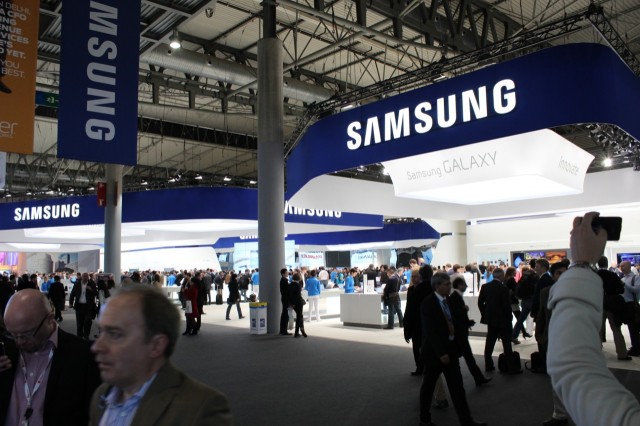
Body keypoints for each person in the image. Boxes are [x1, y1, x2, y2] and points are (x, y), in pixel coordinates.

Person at [89, 285, 233, 425]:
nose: (97, 346)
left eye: (115, 334)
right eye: (101, 331)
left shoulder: (199, 408)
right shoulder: (103, 395)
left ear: (156, 345)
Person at [547, 211, 640, 426]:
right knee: (605, 333)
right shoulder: (610, 276)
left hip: (601, 306)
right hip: (605, 307)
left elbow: (573, 368)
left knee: (605, 333)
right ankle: (615, 350)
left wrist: (582, 264)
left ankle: (614, 350)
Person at [0, 289, 101, 425]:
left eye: (26, 334)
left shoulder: (84, 355)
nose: (19, 342)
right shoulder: (4, 349)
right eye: (12, 334)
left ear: (50, 319)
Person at [419, 273, 486, 426]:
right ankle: (424, 419)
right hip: (435, 354)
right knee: (428, 388)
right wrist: (441, 353)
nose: (450, 286)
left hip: (451, 351)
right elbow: (430, 331)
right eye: (446, 284)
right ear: (437, 286)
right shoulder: (428, 303)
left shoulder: (448, 300)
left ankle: (467, 420)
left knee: (457, 388)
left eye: (449, 283)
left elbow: (453, 321)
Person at [449, 276, 491, 387]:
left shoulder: (455, 296)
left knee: (466, 357)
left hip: (460, 332)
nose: (466, 286)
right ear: (459, 285)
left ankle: (478, 378)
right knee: (467, 356)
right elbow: (456, 315)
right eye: (464, 284)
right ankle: (478, 378)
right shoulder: (455, 297)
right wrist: (465, 311)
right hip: (460, 333)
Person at [477, 267, 513, 372]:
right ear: (501, 276)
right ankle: (510, 367)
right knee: (506, 344)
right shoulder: (504, 289)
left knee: (489, 343)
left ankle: (488, 365)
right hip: (503, 320)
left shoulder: (485, 287)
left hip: (491, 320)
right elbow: (506, 306)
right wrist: (509, 317)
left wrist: (485, 314)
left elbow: (480, 303)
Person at [404, 265, 433, 376]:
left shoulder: (423, 289)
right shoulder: (411, 290)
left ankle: (425, 367)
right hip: (416, 323)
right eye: (412, 277)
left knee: (425, 346)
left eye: (416, 276)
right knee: (416, 347)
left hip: (424, 323)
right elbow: (409, 309)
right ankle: (419, 367)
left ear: (421, 277)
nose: (414, 279)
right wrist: (407, 328)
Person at [69, 272, 99, 339]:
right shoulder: (77, 284)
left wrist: (91, 289)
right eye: (84, 276)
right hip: (79, 306)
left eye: (86, 276)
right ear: (81, 277)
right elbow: (72, 293)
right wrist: (71, 303)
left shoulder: (92, 283)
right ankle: (79, 337)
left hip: (88, 306)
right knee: (79, 323)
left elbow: (96, 293)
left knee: (88, 322)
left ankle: (86, 336)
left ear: (88, 277)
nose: (85, 278)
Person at [288, 273, 307, 338]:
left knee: (300, 316)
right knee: (299, 317)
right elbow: (298, 296)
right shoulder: (298, 286)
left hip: (293, 303)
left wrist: (292, 303)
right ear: (299, 278)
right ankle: (300, 330)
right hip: (298, 303)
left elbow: (290, 295)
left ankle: (299, 331)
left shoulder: (290, 285)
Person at [279, 268, 291, 335]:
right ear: (283, 273)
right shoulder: (284, 280)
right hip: (285, 299)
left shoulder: (282, 280)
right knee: (285, 315)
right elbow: (286, 291)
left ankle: (283, 330)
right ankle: (284, 330)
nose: (287, 273)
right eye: (286, 272)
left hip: (284, 298)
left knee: (284, 314)